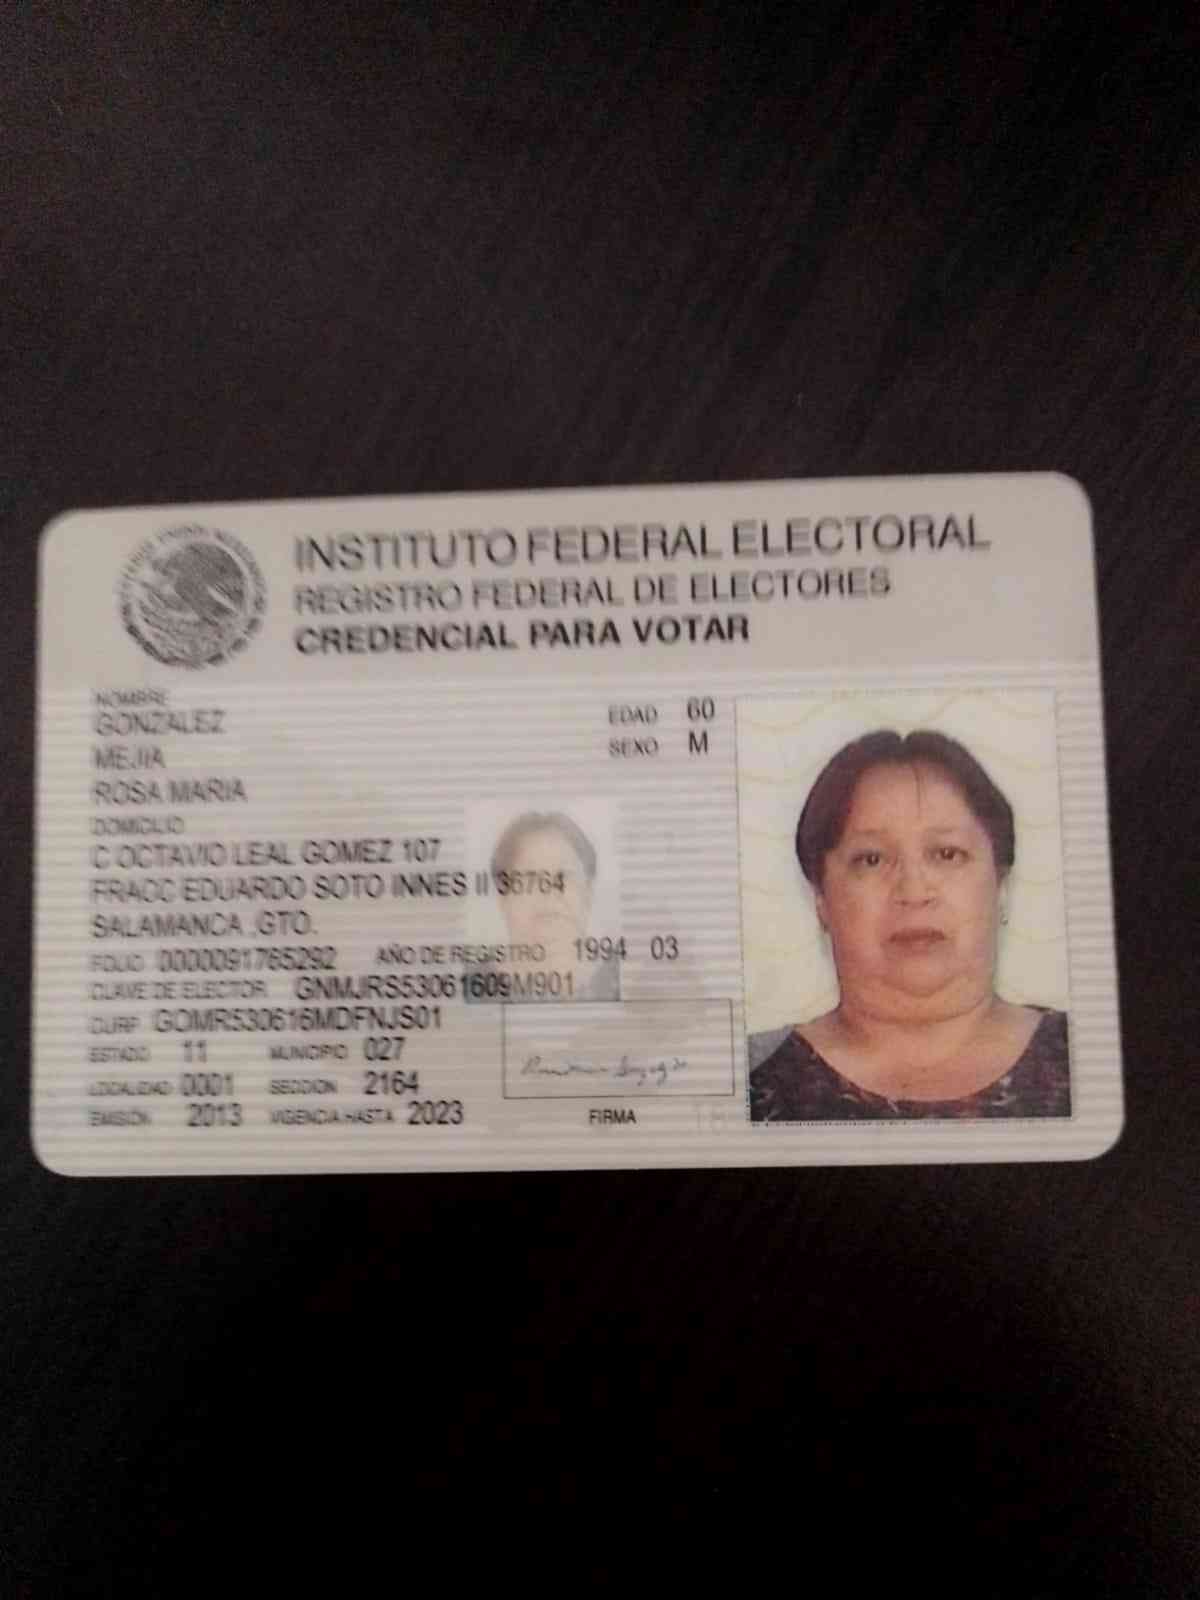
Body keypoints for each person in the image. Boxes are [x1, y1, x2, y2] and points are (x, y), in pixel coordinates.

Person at [749, 730, 1069, 1121]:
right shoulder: (746, 1080)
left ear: (1001, 886)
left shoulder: (1091, 1057)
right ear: (821, 899)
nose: (914, 891)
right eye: (871, 860)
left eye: (947, 854)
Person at [463, 810, 620, 1002]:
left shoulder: (620, 976)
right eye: (529, 880)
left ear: (588, 892)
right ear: (503, 900)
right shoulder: (470, 983)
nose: (549, 897)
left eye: (564, 876)